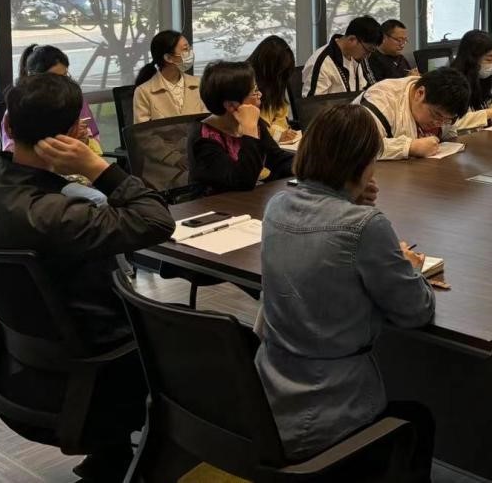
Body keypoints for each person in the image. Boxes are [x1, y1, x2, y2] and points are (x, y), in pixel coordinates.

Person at [0, 73, 174, 482]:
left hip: (23, 362)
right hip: (102, 359)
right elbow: (157, 221)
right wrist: (98, 168)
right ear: (74, 134)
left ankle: (110, 457)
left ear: (8, 124)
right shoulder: (57, 214)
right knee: (233, 341)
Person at [256, 104, 436, 481]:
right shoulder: (365, 226)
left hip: (270, 403)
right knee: (419, 420)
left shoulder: (276, 206)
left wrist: (349, 198)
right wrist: (411, 266)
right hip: (329, 413)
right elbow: (416, 311)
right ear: (361, 164)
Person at [187, 60, 294, 193]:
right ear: (231, 105)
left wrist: (310, 166)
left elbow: (277, 159)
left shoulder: (252, 122)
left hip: (252, 198)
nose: (260, 95)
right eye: (254, 92)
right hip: (219, 202)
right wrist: (249, 131)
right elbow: (242, 181)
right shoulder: (204, 138)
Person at [1, 44, 103, 154]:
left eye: (64, 77)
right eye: (53, 79)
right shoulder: (22, 107)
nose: (61, 84)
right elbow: (12, 151)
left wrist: (85, 140)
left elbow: (95, 143)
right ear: (33, 78)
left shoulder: (74, 100)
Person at [357, 67, 472, 160]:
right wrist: (410, 147)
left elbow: (450, 134)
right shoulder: (382, 100)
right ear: (420, 93)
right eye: (435, 115)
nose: (438, 124)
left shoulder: (444, 110)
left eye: (446, 120)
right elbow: (359, 145)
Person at [133, 30, 205, 122]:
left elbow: (209, 122)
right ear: (168, 58)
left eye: (189, 48)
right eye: (185, 49)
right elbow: (142, 130)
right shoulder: (143, 92)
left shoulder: (199, 84)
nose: (190, 53)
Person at [300, 15, 381, 97]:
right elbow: (313, 102)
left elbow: (362, 89)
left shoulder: (355, 56)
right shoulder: (323, 61)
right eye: (367, 50)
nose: (368, 55)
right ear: (352, 39)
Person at [248, 34, 300, 144]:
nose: (280, 80)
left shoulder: (276, 84)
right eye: (279, 72)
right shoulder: (246, 84)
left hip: (276, 144)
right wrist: (276, 135)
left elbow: (281, 117)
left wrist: (280, 133)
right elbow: (249, 127)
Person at [367, 18, 417, 82]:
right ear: (384, 37)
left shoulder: (401, 58)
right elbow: (379, 86)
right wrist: (406, 80)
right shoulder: (372, 59)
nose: (402, 45)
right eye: (399, 40)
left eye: (405, 40)